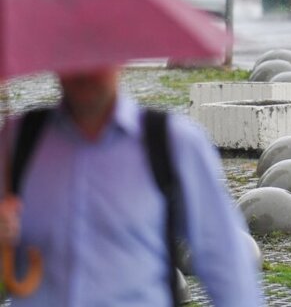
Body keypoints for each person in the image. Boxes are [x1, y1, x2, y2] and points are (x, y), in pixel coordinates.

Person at [0, 66, 262, 306]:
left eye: (97, 54)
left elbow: (227, 264)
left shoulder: (174, 144)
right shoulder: (17, 142)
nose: (84, 69)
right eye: (73, 55)